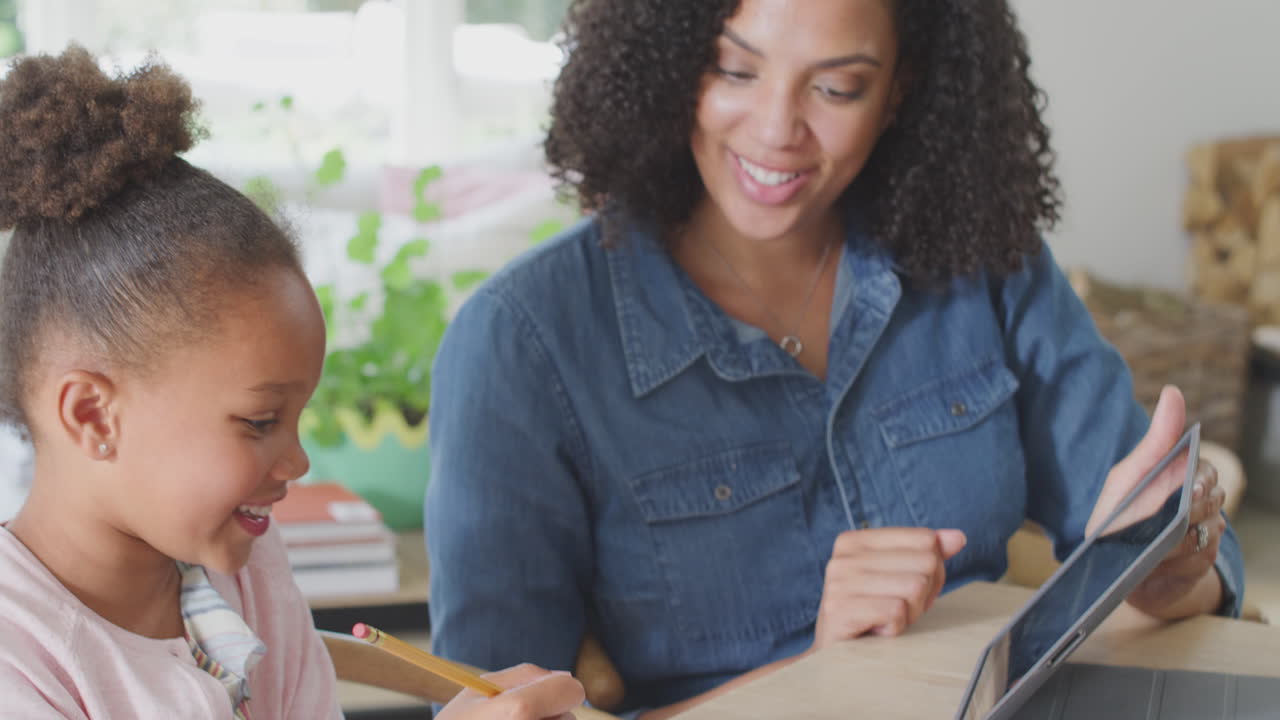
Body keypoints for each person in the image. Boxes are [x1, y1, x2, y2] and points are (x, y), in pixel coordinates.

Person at [425, 1, 1245, 718]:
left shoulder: (983, 260)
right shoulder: (524, 343)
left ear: (902, 88)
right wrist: (815, 678)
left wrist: (1172, 568)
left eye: (837, 86)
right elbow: (498, 711)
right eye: (734, 70)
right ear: (670, 59)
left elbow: (1159, 547)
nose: (778, 129)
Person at [0, 47, 584, 720]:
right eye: (258, 421)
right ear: (93, 416)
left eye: (297, 416)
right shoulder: (21, 658)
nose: (297, 461)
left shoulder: (239, 570)